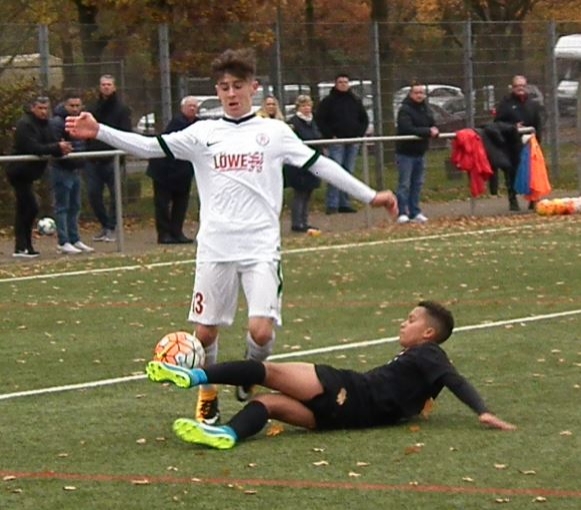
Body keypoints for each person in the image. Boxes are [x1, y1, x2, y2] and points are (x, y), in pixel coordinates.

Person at [66, 48, 398, 427]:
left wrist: (370, 195)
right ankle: (208, 394)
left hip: (260, 248)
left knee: (261, 330)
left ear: (253, 88)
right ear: (217, 91)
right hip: (215, 248)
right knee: (205, 333)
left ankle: (250, 373)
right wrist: (99, 131)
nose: (231, 93)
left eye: (238, 86)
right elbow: (149, 146)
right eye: (224, 87)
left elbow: (319, 164)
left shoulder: (274, 132)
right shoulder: (203, 133)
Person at [145, 300, 517, 450]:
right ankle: (226, 434)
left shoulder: (430, 354)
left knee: (267, 371)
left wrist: (482, 410)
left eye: (411, 320)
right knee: (268, 403)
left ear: (428, 334)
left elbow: (455, 380)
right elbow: (431, 390)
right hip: (351, 417)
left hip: (351, 389)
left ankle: (193, 376)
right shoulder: (422, 365)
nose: (403, 324)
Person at [5, 96, 72, 258]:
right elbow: (33, 147)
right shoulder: (25, 124)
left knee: (25, 208)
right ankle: (22, 246)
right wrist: (56, 147)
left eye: (45, 108)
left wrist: (61, 148)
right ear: (33, 108)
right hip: (19, 172)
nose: (43, 112)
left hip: (30, 173)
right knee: (30, 207)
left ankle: (24, 246)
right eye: (40, 108)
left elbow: (51, 143)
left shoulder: (46, 124)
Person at [146, 96, 199, 244]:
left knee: (181, 203)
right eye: (189, 106)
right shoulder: (178, 123)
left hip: (183, 172)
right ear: (182, 108)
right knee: (162, 204)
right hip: (164, 171)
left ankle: (177, 232)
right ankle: (164, 234)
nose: (192, 108)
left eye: (195, 106)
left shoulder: (198, 124)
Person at [86, 74, 132, 242]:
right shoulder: (92, 108)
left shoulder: (122, 109)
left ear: (114, 87)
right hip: (94, 157)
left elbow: (126, 132)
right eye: (103, 84)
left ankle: (111, 227)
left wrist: (121, 152)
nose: (106, 87)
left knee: (115, 195)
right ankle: (105, 224)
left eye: (109, 84)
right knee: (93, 194)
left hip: (112, 158)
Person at [315, 73, 369, 215]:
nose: (343, 84)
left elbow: (364, 119)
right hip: (336, 142)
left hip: (352, 141)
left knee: (348, 172)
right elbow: (320, 120)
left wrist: (359, 134)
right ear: (336, 83)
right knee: (335, 172)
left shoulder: (355, 100)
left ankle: (344, 203)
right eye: (340, 82)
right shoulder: (328, 101)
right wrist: (330, 135)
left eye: (346, 82)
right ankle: (332, 204)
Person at [49, 91, 94, 255]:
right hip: (62, 168)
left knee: (75, 205)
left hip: (76, 168)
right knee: (62, 206)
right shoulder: (57, 122)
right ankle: (63, 241)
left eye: (77, 105)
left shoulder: (81, 119)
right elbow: (58, 145)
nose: (75, 109)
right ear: (65, 105)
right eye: (72, 105)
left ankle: (75, 238)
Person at [494, 75, 543, 211]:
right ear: (512, 87)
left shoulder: (533, 104)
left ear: (526, 87)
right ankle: (513, 200)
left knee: (532, 172)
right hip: (511, 144)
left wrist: (537, 140)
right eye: (517, 86)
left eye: (522, 86)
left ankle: (533, 200)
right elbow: (497, 123)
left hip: (530, 144)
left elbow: (538, 124)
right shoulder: (505, 104)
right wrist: (513, 127)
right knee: (512, 173)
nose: (520, 88)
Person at [395, 81, 439, 225]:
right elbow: (407, 128)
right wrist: (427, 131)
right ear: (410, 94)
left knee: (417, 184)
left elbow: (432, 123)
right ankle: (402, 212)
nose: (419, 95)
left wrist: (434, 129)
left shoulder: (426, 109)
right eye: (416, 93)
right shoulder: (405, 110)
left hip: (420, 152)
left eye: (421, 93)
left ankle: (415, 211)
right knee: (404, 184)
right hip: (405, 153)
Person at [283, 95, 322, 232]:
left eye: (308, 105)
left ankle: (304, 221)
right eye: (303, 106)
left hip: (313, 160)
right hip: (298, 164)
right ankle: (297, 222)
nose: (306, 108)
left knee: (308, 193)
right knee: (300, 193)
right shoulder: (293, 123)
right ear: (298, 107)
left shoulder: (313, 121)